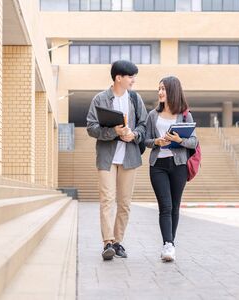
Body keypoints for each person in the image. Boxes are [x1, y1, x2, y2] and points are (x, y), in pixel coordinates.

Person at [86, 60, 147, 260]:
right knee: (107, 200)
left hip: (129, 157)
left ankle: (118, 242)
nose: (133, 80)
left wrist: (134, 135)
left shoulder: (136, 100)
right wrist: (113, 132)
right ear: (118, 77)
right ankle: (108, 243)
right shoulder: (100, 99)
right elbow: (91, 128)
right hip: (107, 158)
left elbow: (144, 126)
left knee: (125, 203)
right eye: (130, 76)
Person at [144, 76, 198, 262]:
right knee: (165, 206)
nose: (160, 92)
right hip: (158, 165)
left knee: (175, 206)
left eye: (164, 89)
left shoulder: (184, 115)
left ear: (173, 91)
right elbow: (146, 140)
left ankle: (171, 245)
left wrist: (178, 140)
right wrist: (157, 141)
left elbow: (194, 141)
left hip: (179, 166)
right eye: (159, 88)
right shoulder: (152, 115)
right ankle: (167, 243)